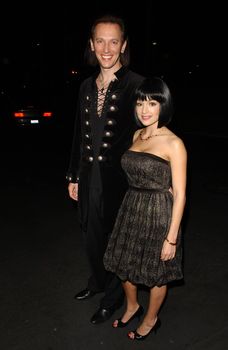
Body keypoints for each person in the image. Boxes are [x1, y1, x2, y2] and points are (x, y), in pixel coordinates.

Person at [66, 14, 144, 324]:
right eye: (100, 41)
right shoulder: (86, 86)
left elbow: (149, 134)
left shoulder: (136, 85)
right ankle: (97, 283)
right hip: (88, 177)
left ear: (123, 45)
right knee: (91, 237)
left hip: (119, 182)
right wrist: (73, 175)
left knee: (115, 242)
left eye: (114, 41)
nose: (107, 48)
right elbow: (77, 133)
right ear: (91, 45)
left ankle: (112, 299)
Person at [103, 77, 187, 340]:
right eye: (140, 103)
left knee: (156, 273)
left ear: (164, 105)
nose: (145, 109)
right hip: (132, 207)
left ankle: (151, 319)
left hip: (159, 213)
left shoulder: (174, 143)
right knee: (124, 264)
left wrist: (171, 238)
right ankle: (132, 305)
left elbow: (182, 193)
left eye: (152, 103)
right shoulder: (137, 134)